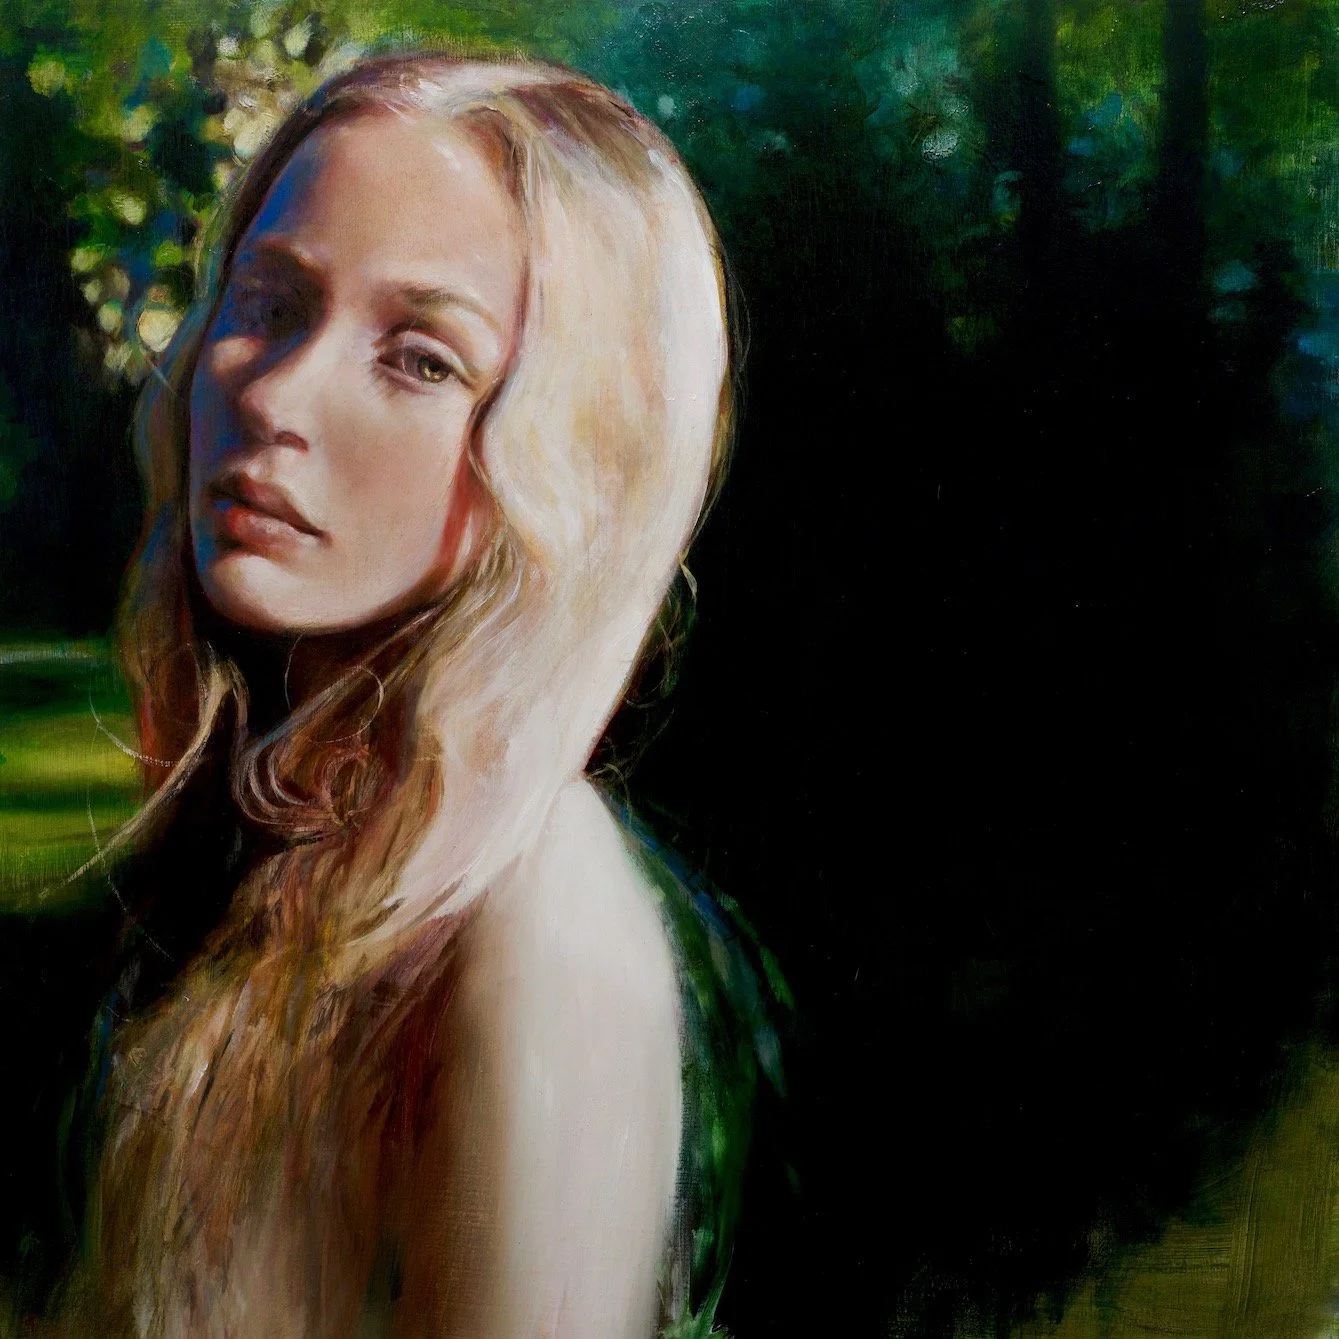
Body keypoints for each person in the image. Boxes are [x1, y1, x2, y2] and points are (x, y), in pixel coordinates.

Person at [38, 49, 774, 1339]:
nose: (274, 395)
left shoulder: (538, 930)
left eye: (423, 360)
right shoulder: (270, 845)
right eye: (267, 304)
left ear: (574, 447)